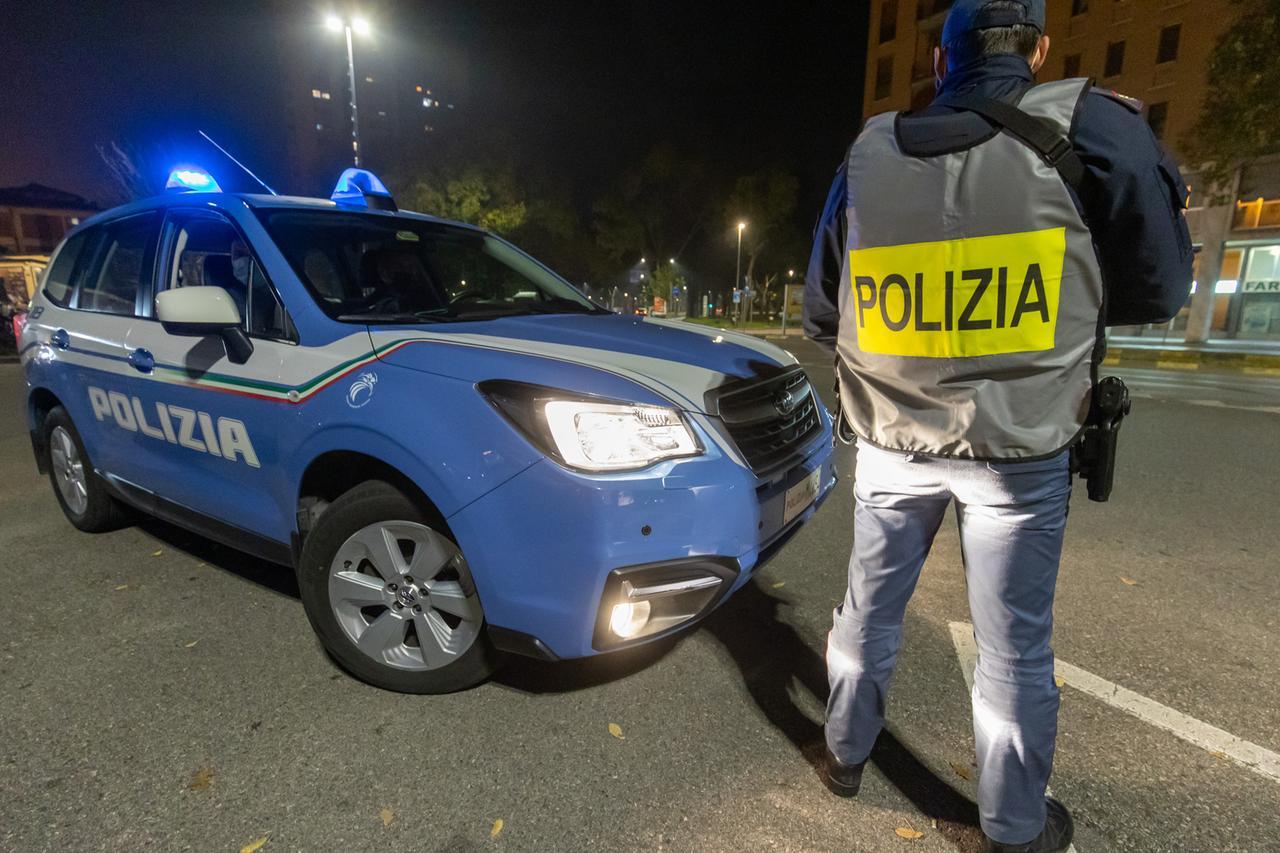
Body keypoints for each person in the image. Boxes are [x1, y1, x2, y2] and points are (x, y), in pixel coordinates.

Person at [802, 1, 1192, 851]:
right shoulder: (1090, 126)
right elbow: (1161, 287)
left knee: (868, 609)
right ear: (1041, 49)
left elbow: (823, 307)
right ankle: (1015, 827)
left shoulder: (867, 151)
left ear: (942, 62)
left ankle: (841, 755)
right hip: (1017, 449)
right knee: (1012, 644)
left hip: (892, 440)